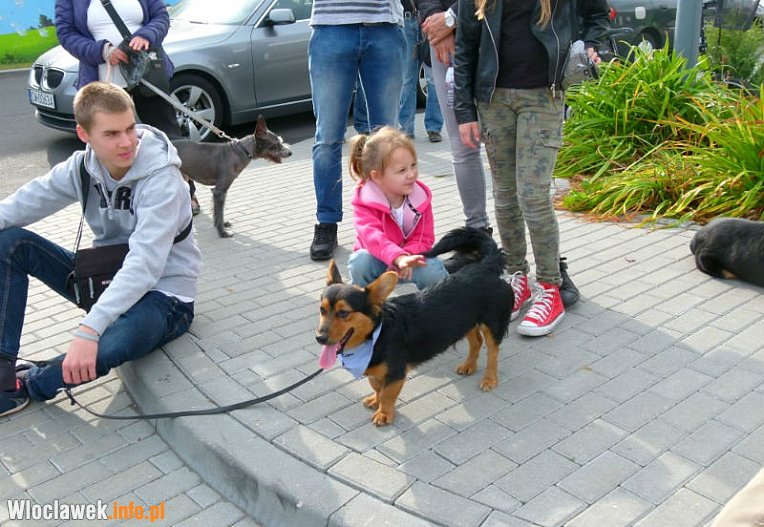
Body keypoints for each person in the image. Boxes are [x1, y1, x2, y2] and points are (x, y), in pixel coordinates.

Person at [0, 82, 201, 417]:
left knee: (117, 341)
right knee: (9, 242)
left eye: (130, 128)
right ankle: (3, 371)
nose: (127, 142)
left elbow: (144, 266)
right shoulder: (81, 167)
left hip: (165, 296)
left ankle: (31, 384)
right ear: (84, 134)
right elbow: (23, 204)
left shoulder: (163, 179)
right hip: (105, 279)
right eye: (111, 134)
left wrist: (90, 329)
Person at [453, 0, 608, 336]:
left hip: (543, 96)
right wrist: (464, 111)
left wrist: (592, 45)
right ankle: (517, 276)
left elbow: (597, 13)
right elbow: (464, 46)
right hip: (493, 100)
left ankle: (550, 287)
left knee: (533, 196)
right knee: (505, 196)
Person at [54, 0, 201, 216]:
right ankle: (120, 202)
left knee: (168, 140)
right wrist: (102, 50)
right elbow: (66, 33)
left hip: (146, 75)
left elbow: (160, 17)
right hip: (105, 82)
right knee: (112, 145)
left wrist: (146, 36)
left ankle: (186, 194)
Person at [308, 0, 406, 261]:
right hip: (331, 25)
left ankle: (389, 221)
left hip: (384, 25)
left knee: (388, 138)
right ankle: (327, 222)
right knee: (328, 138)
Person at [417, 0, 492, 236]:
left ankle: (519, 238)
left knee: (504, 144)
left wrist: (451, 17)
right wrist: (437, 21)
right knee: (463, 144)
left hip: (494, 33)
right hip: (445, 40)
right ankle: (477, 232)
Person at [347, 127, 448, 290]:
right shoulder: (365, 201)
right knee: (360, 262)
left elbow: (424, 238)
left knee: (432, 269)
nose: (411, 174)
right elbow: (372, 236)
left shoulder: (420, 198)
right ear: (376, 176)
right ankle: (363, 301)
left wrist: (406, 257)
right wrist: (397, 257)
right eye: (402, 170)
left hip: (410, 260)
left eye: (413, 165)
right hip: (378, 259)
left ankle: (446, 300)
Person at [400, 0, 444, 142]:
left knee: (433, 78)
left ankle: (434, 128)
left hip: (429, 18)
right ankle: (407, 127)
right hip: (407, 20)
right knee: (408, 79)